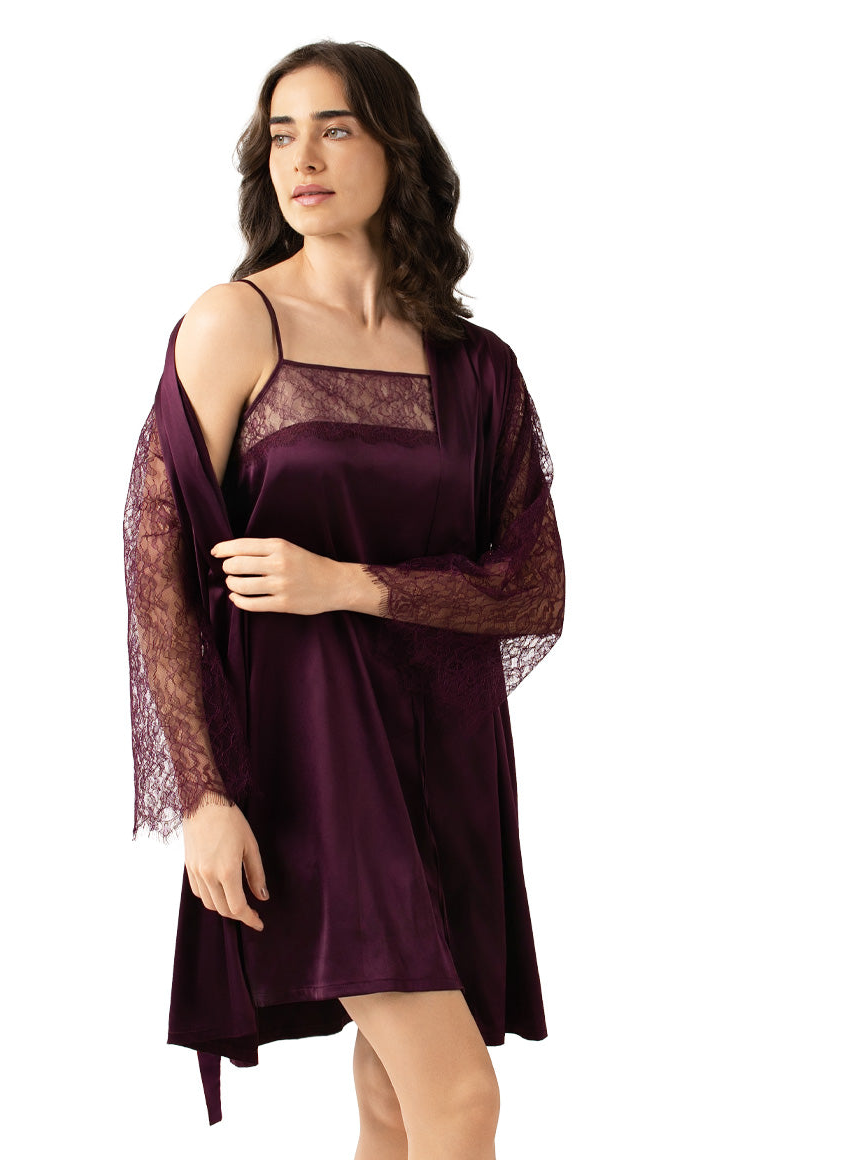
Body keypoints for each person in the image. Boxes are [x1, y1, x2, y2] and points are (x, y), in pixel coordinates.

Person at [123, 39, 566, 1157]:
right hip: (307, 758)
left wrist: (348, 584)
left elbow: (531, 585)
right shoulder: (234, 323)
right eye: (281, 134)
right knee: (458, 1099)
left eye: (334, 128)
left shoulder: (478, 367)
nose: (301, 158)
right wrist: (202, 794)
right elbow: (157, 567)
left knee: (395, 1100)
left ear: (396, 148)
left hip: (445, 757)